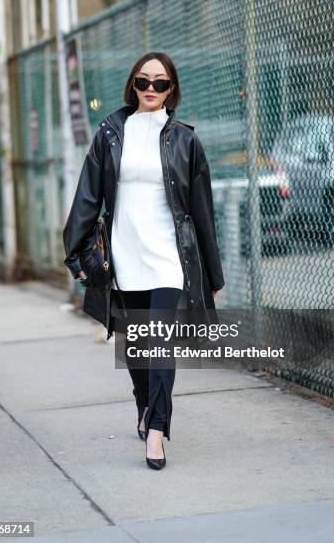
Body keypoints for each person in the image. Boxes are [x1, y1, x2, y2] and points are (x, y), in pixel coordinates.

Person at [63, 52, 225, 470]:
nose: (150, 90)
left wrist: (213, 273)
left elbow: (201, 211)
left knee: (160, 344)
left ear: (172, 90)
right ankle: (143, 407)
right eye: (143, 82)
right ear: (132, 85)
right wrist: (75, 253)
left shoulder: (186, 141)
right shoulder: (110, 134)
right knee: (136, 347)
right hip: (124, 256)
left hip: (169, 258)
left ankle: (156, 430)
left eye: (160, 84)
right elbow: (87, 197)